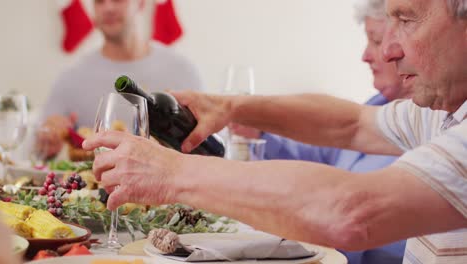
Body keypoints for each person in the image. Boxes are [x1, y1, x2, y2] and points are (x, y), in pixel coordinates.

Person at [83, 0, 467, 263]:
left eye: (407, 18)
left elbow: (352, 213)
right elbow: (351, 123)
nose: (387, 51)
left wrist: (171, 174)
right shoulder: (445, 113)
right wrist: (231, 106)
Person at [230, 1, 409, 263]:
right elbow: (324, 154)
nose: (365, 55)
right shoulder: (379, 105)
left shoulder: (437, 129)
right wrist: (262, 134)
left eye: (375, 40)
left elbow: (358, 221)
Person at [39, 0, 203, 158]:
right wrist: (48, 139)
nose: (108, 8)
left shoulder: (182, 70)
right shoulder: (71, 77)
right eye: (99, 1)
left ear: (140, 3)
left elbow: (206, 147)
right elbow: (40, 149)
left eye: (118, 0)